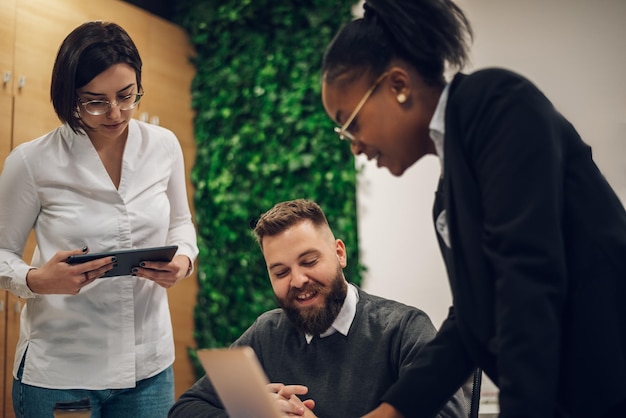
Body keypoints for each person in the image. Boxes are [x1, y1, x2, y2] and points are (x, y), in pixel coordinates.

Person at [319, 1, 626, 418]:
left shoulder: (497, 103)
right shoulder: (448, 193)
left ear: (397, 84)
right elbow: (470, 324)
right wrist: (390, 411)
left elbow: (528, 282)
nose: (353, 145)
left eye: (350, 122)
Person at [0, 21, 199, 418]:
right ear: (69, 96)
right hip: (63, 372)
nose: (114, 113)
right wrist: (36, 279)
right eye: (95, 101)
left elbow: (181, 224)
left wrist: (184, 262)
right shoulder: (32, 161)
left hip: (148, 370)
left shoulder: (163, 147)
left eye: (127, 96)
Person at [168, 199, 467, 418]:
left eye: (309, 262)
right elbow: (185, 409)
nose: (298, 280)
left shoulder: (403, 329)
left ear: (339, 253)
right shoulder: (266, 334)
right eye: (281, 272)